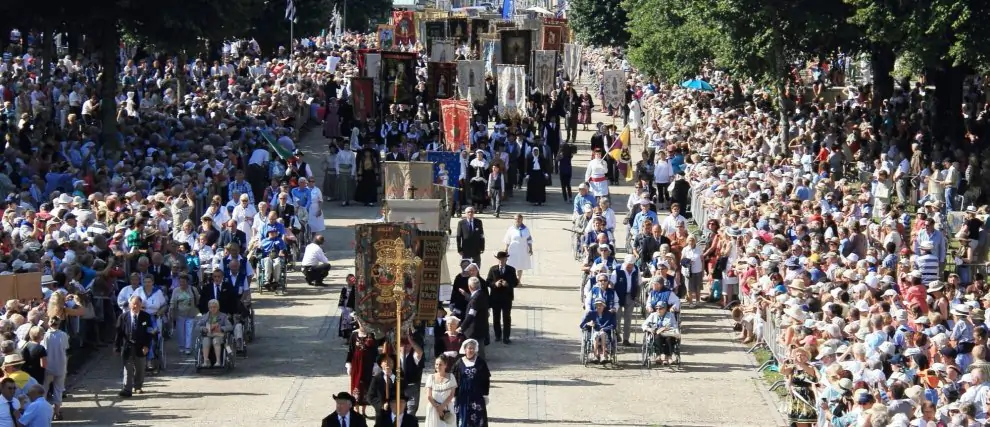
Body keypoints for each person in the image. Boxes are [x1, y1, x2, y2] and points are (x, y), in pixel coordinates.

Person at [114, 294, 152, 397]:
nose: (135, 307)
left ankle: (138, 386)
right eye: (134, 304)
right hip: (127, 346)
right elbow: (119, 333)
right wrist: (116, 347)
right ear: (130, 304)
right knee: (128, 368)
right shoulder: (123, 317)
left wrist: (147, 346)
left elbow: (149, 333)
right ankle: (127, 389)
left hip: (141, 346)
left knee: (140, 368)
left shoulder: (146, 317)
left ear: (141, 305)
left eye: (138, 304)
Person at [346, 322, 381, 416]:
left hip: (367, 365)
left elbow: (375, 351)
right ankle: (356, 410)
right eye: (361, 323)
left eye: (364, 323)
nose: (362, 325)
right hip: (356, 365)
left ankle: (363, 411)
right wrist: (348, 364)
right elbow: (351, 350)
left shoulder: (371, 335)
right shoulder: (354, 334)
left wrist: (376, 364)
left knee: (366, 386)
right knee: (356, 385)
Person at [452, 339, 490, 427]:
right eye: (469, 348)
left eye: (473, 348)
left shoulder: (480, 362)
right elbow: (454, 380)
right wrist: (454, 395)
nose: (471, 350)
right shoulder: (459, 363)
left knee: (478, 419)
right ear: (465, 350)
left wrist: (485, 395)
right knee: (463, 419)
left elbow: (486, 379)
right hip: (462, 395)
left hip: (477, 395)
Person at [486, 252, 518, 344]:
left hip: (507, 298)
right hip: (495, 298)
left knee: (506, 317)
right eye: (499, 259)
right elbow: (488, 282)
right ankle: (497, 335)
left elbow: (515, 283)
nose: (501, 261)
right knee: (496, 317)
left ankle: (506, 337)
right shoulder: (493, 269)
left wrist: (507, 284)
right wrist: (494, 284)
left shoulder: (511, 269)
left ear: (506, 260)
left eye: (503, 259)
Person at [41, 317, 68, 420]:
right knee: (58, 389)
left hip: (48, 365)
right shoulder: (63, 335)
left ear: (49, 324)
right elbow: (66, 347)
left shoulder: (45, 336)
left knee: (45, 388)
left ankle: (43, 411)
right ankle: (56, 412)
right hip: (60, 364)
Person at [457, 278, 490, 359]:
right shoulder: (482, 294)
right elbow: (475, 301)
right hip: (482, 328)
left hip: (474, 330)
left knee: (476, 351)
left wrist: (461, 328)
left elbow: (471, 315)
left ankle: (480, 366)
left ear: (470, 287)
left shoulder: (475, 299)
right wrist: (466, 295)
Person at [196, 299, 233, 368]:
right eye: (211, 307)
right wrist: (203, 328)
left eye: (214, 307)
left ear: (218, 307)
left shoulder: (223, 316)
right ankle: (206, 361)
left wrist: (221, 328)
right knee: (205, 341)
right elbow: (197, 326)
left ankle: (218, 361)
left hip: (218, 335)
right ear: (208, 308)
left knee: (215, 341)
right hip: (208, 334)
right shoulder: (204, 317)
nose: (212, 309)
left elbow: (230, 327)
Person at [580, 298, 617, 364]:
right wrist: (588, 324)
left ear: (604, 306)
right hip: (593, 335)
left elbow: (613, 325)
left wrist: (605, 329)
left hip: (606, 336)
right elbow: (582, 325)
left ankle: (604, 355)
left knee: (602, 333)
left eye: (600, 305)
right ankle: (595, 355)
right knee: (597, 334)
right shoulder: (591, 314)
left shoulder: (610, 314)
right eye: (597, 305)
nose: (599, 307)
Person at [424, 355, 457, 427]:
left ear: (445, 365)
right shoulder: (431, 377)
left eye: (440, 364)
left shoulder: (451, 377)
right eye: (436, 364)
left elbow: (452, 395)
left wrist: (442, 407)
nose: (438, 366)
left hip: (447, 408)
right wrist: (438, 408)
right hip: (433, 408)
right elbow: (429, 396)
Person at [502, 214, 533, 286]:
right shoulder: (511, 229)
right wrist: (506, 249)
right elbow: (507, 240)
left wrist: (531, 249)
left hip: (522, 250)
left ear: (522, 220)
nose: (517, 220)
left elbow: (529, 240)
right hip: (513, 250)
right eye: (515, 219)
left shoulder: (526, 229)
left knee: (520, 265)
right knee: (511, 265)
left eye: (519, 219)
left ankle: (518, 281)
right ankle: (511, 280)